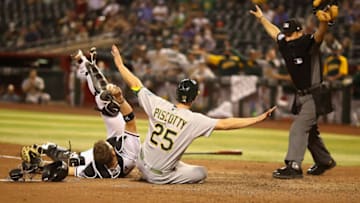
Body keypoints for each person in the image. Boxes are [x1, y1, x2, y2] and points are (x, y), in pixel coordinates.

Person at [111, 44, 276, 184]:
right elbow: (226, 124)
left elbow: (135, 84)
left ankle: (164, 164)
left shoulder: (157, 104)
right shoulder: (195, 120)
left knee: (171, 160)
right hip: (158, 176)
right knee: (201, 172)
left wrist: (119, 65)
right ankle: (166, 167)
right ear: (195, 97)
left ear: (176, 94)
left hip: (140, 163)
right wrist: (258, 118)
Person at [250, 3, 337, 179]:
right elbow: (275, 33)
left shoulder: (307, 42)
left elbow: (320, 36)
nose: (287, 37)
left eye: (290, 34)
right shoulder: (286, 43)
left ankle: (294, 165)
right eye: (286, 34)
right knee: (309, 131)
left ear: (299, 31)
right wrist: (262, 19)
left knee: (298, 129)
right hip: (302, 96)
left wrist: (324, 24)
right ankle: (324, 160)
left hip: (314, 94)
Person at [28, 48, 140, 179]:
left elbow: (68, 170)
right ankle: (85, 65)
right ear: (114, 153)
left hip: (117, 158)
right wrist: (120, 99)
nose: (108, 141)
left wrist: (39, 168)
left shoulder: (95, 169)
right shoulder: (131, 152)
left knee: (74, 159)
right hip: (121, 136)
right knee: (109, 103)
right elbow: (130, 119)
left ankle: (49, 147)